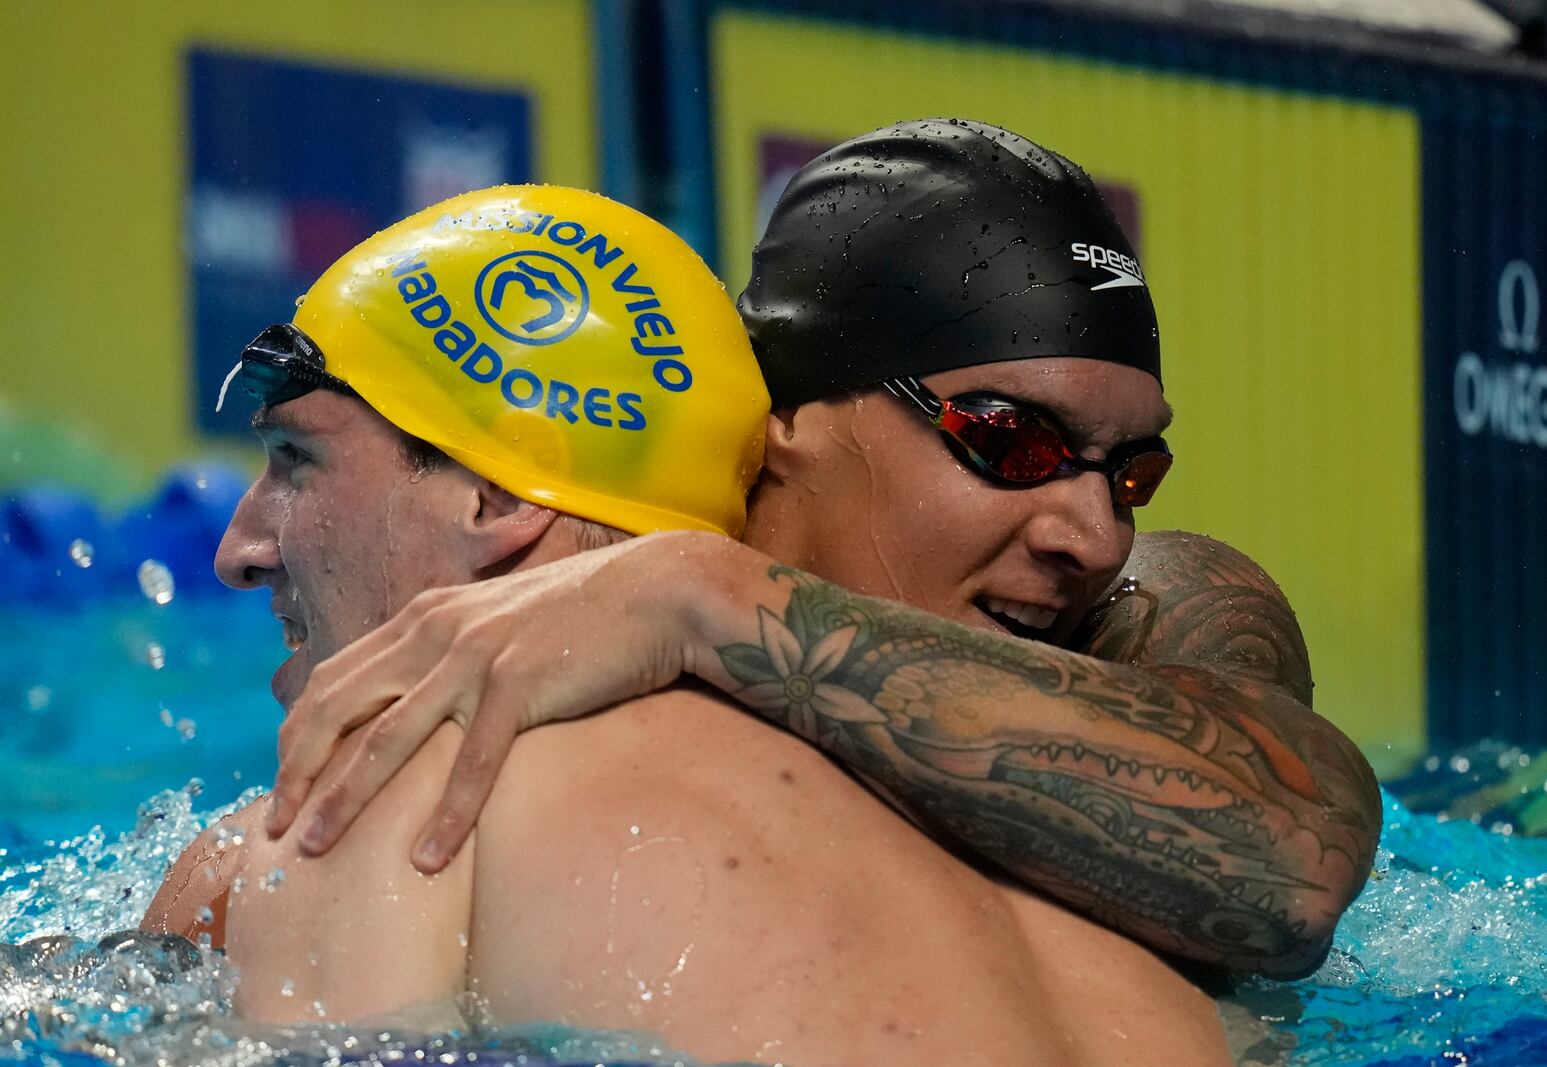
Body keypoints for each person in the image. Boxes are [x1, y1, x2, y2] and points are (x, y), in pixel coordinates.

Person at [262, 118, 1382, 980]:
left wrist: (704, 596)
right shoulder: (578, 645)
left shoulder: (1157, 610)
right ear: (787, 413)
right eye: (1011, 441)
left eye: (1129, 470)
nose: (1092, 534)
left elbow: (1292, 871)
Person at [143, 182, 1235, 1065]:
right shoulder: (1105, 860)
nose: (240, 546)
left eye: (296, 460)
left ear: (497, 500)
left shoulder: (400, 779)